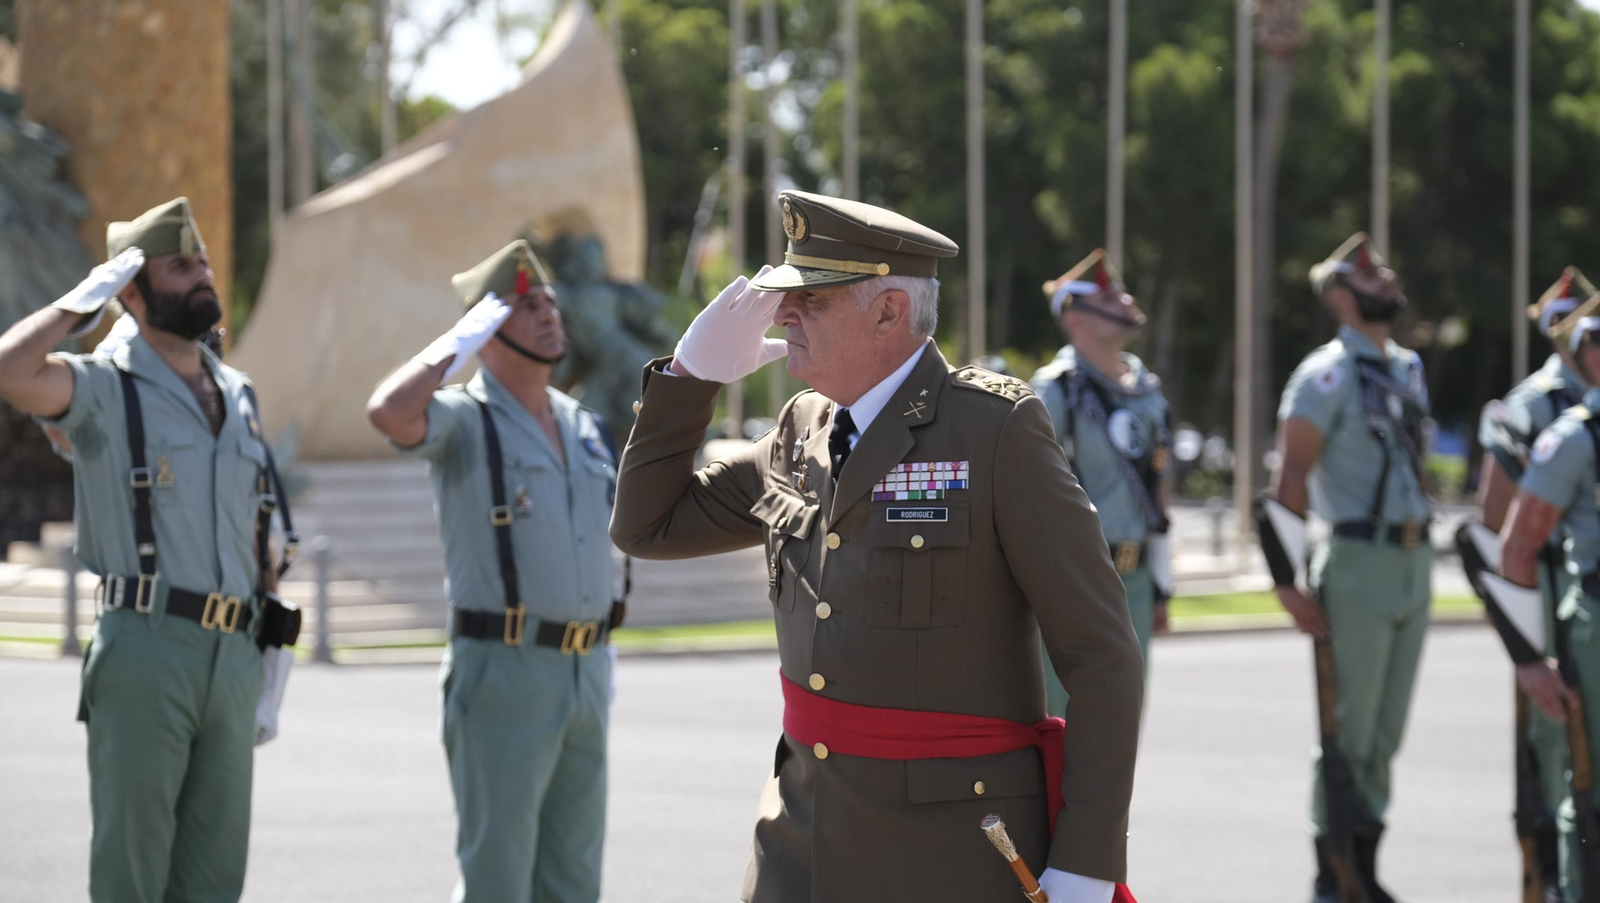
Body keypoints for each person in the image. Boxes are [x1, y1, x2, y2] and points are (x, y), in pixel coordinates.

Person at [609, 189, 1144, 903]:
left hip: (950, 855)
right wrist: (688, 380)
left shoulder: (993, 432)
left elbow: (1102, 655)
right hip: (799, 845)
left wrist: (1086, 864)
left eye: (813, 299)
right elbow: (646, 524)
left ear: (889, 311)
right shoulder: (800, 432)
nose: (785, 313)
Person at [0, 197, 294, 902]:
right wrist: (82, 303)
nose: (201, 275)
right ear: (131, 292)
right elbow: (11, 372)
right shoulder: (105, 384)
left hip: (234, 655)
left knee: (215, 877)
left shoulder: (237, 391)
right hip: (147, 645)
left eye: (203, 262)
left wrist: (269, 646)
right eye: (179, 265)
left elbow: (254, 527)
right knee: (132, 871)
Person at [366, 239, 621, 903]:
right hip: (505, 670)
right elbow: (389, 412)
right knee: (498, 877)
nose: (548, 314)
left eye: (549, 302)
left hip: (586, 670)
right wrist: (458, 340)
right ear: (486, 325)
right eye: (525, 305)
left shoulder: (582, 424)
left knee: (574, 878)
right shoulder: (464, 419)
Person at [1256, 232, 1429, 903]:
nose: (1386, 280)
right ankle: (1335, 872)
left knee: (1386, 730)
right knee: (1346, 726)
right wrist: (1287, 580)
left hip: (1414, 561)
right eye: (1370, 274)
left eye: (1385, 271)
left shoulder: (1408, 366)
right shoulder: (1326, 372)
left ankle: (1368, 859)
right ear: (1339, 294)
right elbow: (1291, 475)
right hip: (1357, 558)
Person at [1471, 268, 1593, 900]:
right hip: (1543, 581)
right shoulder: (1534, 405)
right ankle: (1549, 871)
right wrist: (1520, 634)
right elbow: (1495, 522)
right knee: (1551, 737)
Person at [1030, 249, 1174, 706]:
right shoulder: (1056, 389)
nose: (1126, 301)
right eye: (1109, 297)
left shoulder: (1146, 389)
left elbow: (1158, 489)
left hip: (1136, 578)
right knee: (1063, 721)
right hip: (1075, 578)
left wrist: (1162, 582)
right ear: (1077, 317)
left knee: (1122, 721)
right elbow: (1030, 491)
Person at [1498, 305, 1600, 903]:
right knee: (1590, 793)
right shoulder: (1574, 436)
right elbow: (1514, 548)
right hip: (1594, 621)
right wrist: (1531, 658)